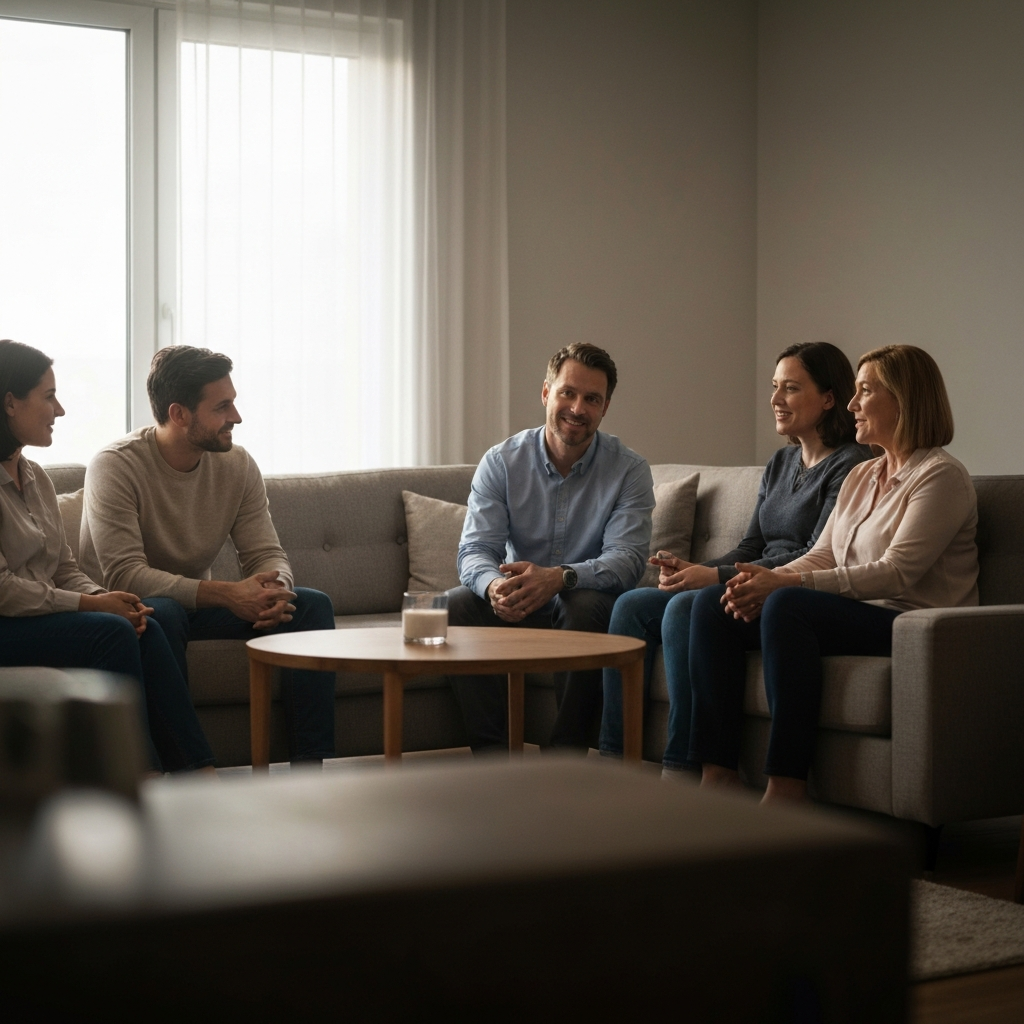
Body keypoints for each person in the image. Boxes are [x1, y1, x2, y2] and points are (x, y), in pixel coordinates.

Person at [689, 344, 978, 802]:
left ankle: (786, 788)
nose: (851, 404)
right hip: (853, 612)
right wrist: (756, 580)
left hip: (910, 623)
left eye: (865, 391)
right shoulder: (863, 474)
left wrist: (785, 583)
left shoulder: (941, 477)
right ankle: (717, 778)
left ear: (904, 399)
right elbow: (824, 555)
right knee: (712, 604)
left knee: (787, 605)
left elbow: (895, 573)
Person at [600, 342, 872, 777]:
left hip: (782, 591)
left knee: (688, 608)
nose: (775, 399)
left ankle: (682, 766)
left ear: (828, 397)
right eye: (774, 386)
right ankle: (616, 760)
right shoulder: (781, 462)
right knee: (631, 606)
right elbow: (751, 546)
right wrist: (697, 569)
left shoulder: (852, 465)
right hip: (743, 578)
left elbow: (820, 553)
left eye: (790, 388)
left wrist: (714, 577)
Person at [80, 346, 336, 766]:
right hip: (135, 609)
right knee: (163, 612)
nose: (236, 417)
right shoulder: (115, 466)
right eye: (223, 406)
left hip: (201, 604)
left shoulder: (237, 465)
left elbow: (266, 551)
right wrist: (228, 594)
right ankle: (190, 771)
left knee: (310, 605)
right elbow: (125, 575)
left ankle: (310, 769)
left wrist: (276, 589)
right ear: (179, 414)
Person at [0, 339, 214, 774]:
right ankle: (138, 778)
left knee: (143, 625)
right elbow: (3, 591)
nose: (59, 410)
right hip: (6, 623)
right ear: (10, 403)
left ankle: (196, 771)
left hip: (39, 619)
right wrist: (93, 605)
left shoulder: (35, 477)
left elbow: (63, 569)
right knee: (110, 633)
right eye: (48, 396)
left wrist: (113, 600)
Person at [449, 342, 654, 752]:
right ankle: (492, 756)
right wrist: (493, 587)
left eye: (592, 399)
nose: (578, 408)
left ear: (605, 407)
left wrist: (560, 578)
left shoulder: (629, 470)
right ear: (546, 393)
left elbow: (627, 560)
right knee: (456, 604)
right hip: (517, 603)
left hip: (580, 605)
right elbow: (474, 550)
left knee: (586, 603)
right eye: (568, 393)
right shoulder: (501, 462)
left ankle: (566, 756)